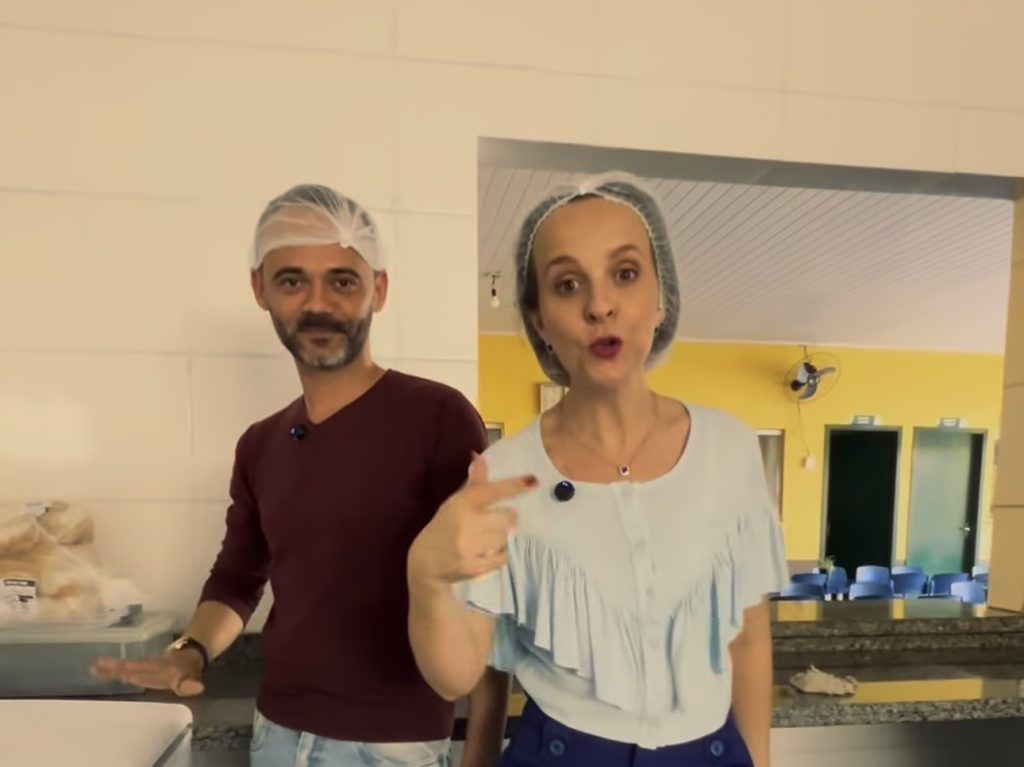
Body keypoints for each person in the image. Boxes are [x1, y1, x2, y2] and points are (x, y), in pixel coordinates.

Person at [92, 184, 510, 767]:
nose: (318, 304)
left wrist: (482, 754)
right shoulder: (260, 444)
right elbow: (237, 579)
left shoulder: (438, 418)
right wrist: (190, 651)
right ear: (260, 288)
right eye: (292, 281)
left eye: (342, 281)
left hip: (392, 746)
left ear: (378, 290)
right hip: (277, 735)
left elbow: (488, 596)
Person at [405, 173, 788, 766]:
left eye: (625, 274)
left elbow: (749, 636)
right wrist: (427, 579)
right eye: (567, 284)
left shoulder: (729, 449)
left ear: (661, 296)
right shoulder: (506, 475)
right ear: (538, 319)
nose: (600, 305)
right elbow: (458, 675)